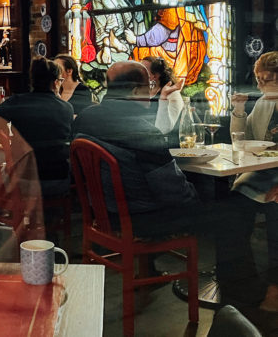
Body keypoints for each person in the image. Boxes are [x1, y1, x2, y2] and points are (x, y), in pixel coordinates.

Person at [73, 61, 266, 306]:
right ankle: (245, 295)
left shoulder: (86, 117)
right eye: (149, 86)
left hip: (103, 214)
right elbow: (173, 192)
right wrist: (200, 201)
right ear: (134, 91)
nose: (152, 91)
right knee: (233, 212)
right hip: (142, 218)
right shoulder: (141, 131)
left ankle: (151, 273)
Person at [230, 51, 278, 310]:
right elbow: (241, 140)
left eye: (266, 79)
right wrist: (238, 110)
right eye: (257, 79)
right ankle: (242, 283)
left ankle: (275, 290)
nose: (259, 84)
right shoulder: (264, 103)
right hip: (263, 174)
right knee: (231, 208)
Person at [0, 57, 74, 197]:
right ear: (55, 83)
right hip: (58, 181)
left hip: (23, 180)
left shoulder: (17, 103)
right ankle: (55, 216)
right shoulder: (66, 108)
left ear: (32, 80)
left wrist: (5, 132)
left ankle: (11, 215)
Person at [140, 56, 184, 134]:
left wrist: (163, 98)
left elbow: (164, 129)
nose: (138, 72)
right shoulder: (140, 92)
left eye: (143, 69)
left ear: (155, 76)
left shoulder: (173, 94)